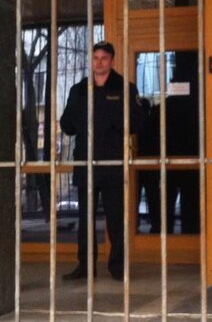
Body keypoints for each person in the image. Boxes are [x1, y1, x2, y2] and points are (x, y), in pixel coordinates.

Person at [60, 41, 145, 281]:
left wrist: (114, 120)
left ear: (112, 61)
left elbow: (138, 123)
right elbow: (66, 125)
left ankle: (118, 266)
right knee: (85, 219)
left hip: (112, 164)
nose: (99, 62)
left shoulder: (125, 88)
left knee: (116, 218)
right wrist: (78, 118)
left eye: (104, 58)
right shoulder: (79, 90)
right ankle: (85, 266)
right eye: (96, 58)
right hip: (85, 163)